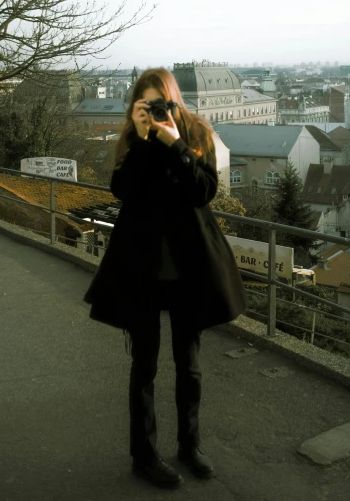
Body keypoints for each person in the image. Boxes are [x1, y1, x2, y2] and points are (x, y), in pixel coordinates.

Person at [83, 68, 248, 488]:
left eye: (161, 104)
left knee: (189, 366)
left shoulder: (196, 134)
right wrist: (141, 141)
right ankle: (145, 455)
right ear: (136, 107)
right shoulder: (132, 141)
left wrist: (176, 144)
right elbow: (123, 190)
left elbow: (204, 192)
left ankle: (189, 446)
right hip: (143, 268)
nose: (156, 112)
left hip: (188, 268)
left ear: (174, 101)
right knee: (145, 366)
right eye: (147, 105)